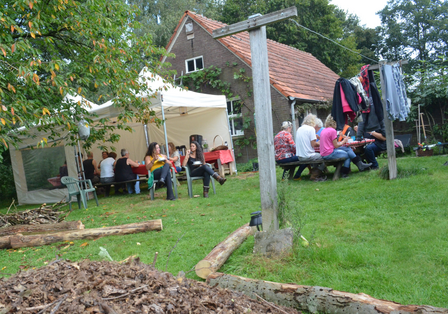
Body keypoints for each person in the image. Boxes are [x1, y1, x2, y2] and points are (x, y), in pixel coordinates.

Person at [295, 114, 326, 181]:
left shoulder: (299, 129)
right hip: (308, 156)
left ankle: (314, 172)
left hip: (300, 156)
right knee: (325, 157)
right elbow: (314, 144)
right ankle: (315, 174)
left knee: (316, 158)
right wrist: (321, 141)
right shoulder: (311, 129)